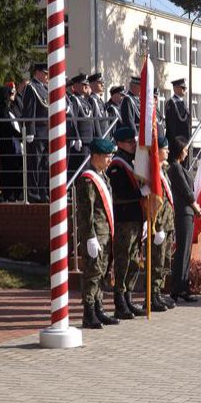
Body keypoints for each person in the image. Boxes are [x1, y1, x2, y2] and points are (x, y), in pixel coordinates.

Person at [76, 137, 120, 329]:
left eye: (111, 156)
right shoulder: (88, 180)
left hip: (105, 234)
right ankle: (89, 313)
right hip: (95, 235)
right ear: (95, 156)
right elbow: (87, 212)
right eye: (107, 156)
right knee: (92, 274)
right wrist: (89, 237)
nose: (110, 160)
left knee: (101, 274)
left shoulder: (103, 176)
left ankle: (99, 309)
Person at [107, 127, 150, 319]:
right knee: (123, 261)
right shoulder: (116, 165)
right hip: (124, 219)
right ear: (120, 143)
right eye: (130, 142)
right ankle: (119, 302)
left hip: (135, 217)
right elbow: (120, 193)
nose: (134, 145)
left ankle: (128, 297)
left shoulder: (130, 163)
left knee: (133, 260)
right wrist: (141, 193)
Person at [168, 136, 201, 303]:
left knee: (186, 251)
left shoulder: (179, 167)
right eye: (184, 149)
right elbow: (185, 190)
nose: (186, 152)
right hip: (183, 212)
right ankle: (179, 287)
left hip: (187, 212)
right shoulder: (174, 168)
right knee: (183, 250)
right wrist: (196, 207)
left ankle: (182, 285)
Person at [150, 135, 176, 311]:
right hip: (159, 225)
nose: (167, 151)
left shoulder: (163, 171)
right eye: (164, 148)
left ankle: (158, 292)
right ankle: (152, 296)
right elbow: (154, 201)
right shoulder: (153, 173)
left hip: (168, 224)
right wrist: (157, 226)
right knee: (157, 261)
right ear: (156, 151)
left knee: (165, 261)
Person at [22, 62, 50, 203]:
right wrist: (30, 130)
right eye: (45, 73)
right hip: (37, 133)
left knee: (44, 163)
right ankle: (33, 192)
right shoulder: (31, 87)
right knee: (35, 163)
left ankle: (42, 190)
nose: (47, 76)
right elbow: (29, 110)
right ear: (37, 72)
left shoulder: (44, 88)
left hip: (46, 133)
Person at [0, 83, 23, 201]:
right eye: (10, 93)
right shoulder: (2, 109)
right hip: (8, 143)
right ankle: (8, 193)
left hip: (16, 144)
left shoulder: (12, 108)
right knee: (9, 168)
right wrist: (19, 135)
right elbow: (7, 126)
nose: (13, 95)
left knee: (17, 167)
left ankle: (17, 192)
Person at [69, 73, 94, 174]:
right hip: (81, 141)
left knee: (88, 168)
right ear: (75, 86)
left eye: (87, 85)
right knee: (81, 169)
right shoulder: (74, 100)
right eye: (83, 84)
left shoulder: (85, 101)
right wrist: (76, 137)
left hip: (89, 140)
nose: (86, 86)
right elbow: (73, 120)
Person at [165, 78, 191, 145]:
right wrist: (174, 142)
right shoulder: (171, 103)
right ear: (175, 88)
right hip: (176, 141)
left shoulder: (184, 103)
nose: (185, 90)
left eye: (185, 88)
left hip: (185, 139)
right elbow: (171, 125)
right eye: (183, 88)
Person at [88, 72, 109, 137]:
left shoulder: (100, 100)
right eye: (100, 83)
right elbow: (95, 121)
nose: (103, 85)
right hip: (100, 136)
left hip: (106, 134)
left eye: (103, 83)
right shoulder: (92, 99)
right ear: (92, 85)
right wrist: (100, 138)